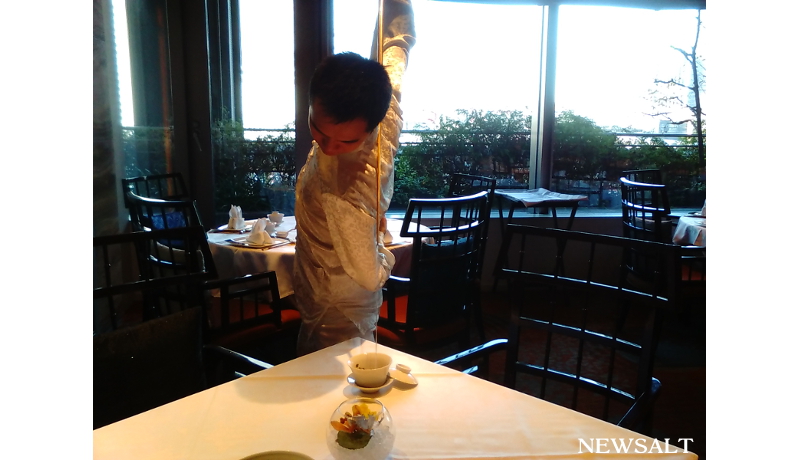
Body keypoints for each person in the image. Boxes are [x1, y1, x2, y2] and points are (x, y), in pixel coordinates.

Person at [293, 0, 416, 356]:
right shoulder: (385, 111)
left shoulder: (345, 193)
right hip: (324, 288)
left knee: (336, 391)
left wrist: (381, 249)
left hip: (337, 311)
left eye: (345, 141)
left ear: (372, 126)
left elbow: (368, 275)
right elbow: (393, 48)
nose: (328, 148)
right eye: (318, 129)